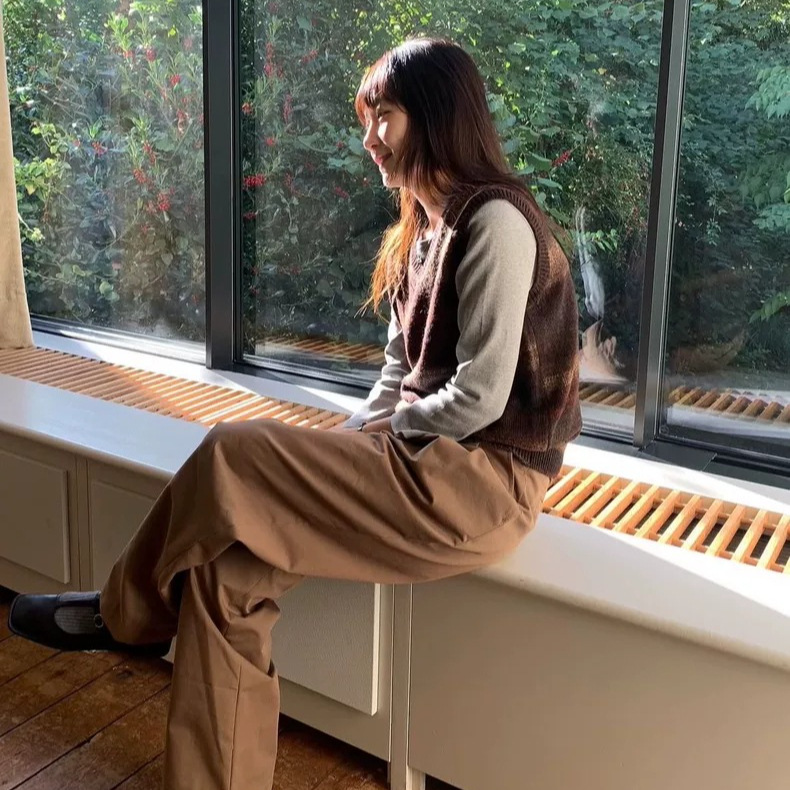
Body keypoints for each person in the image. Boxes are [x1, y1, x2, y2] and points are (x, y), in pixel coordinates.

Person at [8, 37, 581, 790]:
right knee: (223, 581)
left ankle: (124, 615)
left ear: (438, 114)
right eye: (367, 118)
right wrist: (349, 442)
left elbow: (480, 396)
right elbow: (395, 377)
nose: (369, 136)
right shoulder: (420, 230)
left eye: (385, 115)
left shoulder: (496, 220)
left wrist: (375, 439)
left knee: (232, 450)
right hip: (421, 463)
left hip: (483, 481)